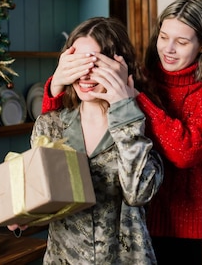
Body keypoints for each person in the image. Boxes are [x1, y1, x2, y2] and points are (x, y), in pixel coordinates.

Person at [42, 0, 202, 264]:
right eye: (164, 37)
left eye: (181, 42)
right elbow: (51, 132)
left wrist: (132, 98)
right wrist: (56, 87)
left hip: (191, 228)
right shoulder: (143, 76)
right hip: (142, 226)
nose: (168, 49)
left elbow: (185, 152)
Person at [10, 17, 164, 264]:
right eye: (77, 62)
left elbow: (139, 193)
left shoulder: (143, 124)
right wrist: (25, 215)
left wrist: (124, 109)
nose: (84, 74)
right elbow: (46, 199)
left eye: (96, 63)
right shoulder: (50, 125)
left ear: (119, 65)